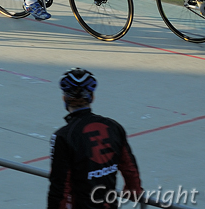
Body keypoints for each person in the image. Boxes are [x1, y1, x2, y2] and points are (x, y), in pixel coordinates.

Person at [47, 68, 142, 209]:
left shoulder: (63, 136)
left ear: (65, 98)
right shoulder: (113, 126)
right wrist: (133, 189)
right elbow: (129, 165)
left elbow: (60, 187)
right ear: (92, 97)